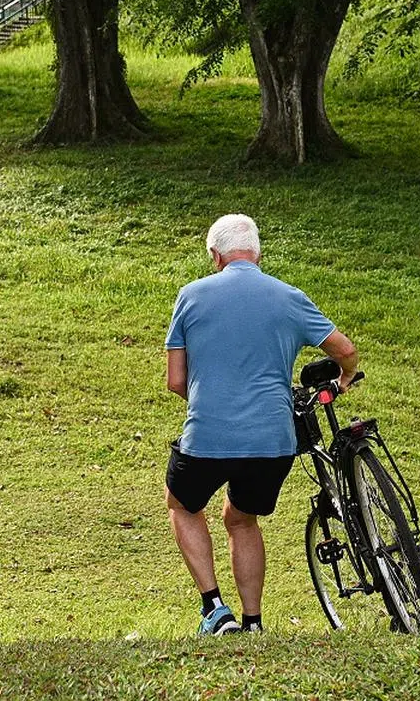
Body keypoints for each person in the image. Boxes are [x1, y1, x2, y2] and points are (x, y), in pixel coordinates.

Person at [164, 213, 359, 636]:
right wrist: (343, 379)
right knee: (242, 519)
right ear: (258, 254)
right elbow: (345, 350)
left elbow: (176, 380)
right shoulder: (288, 296)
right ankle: (253, 623)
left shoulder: (191, 295)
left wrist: (211, 402)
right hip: (273, 441)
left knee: (181, 504)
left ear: (215, 256)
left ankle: (215, 609)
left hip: (209, 435)